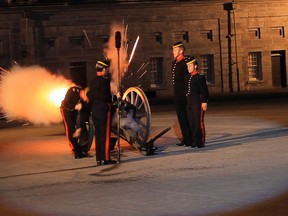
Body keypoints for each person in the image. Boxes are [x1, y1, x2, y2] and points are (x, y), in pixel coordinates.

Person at [87, 59, 116, 166]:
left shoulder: (93, 81)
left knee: (98, 135)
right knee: (105, 135)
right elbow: (105, 96)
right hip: (104, 110)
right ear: (103, 69)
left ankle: (99, 159)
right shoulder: (105, 80)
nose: (107, 71)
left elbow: (90, 96)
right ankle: (106, 158)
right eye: (106, 69)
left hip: (95, 110)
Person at [60, 86, 91, 159]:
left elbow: (83, 115)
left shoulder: (85, 101)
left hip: (76, 113)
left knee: (83, 130)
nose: (86, 99)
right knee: (70, 129)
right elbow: (65, 103)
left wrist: (79, 127)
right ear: (83, 92)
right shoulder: (73, 91)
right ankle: (76, 150)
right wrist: (74, 106)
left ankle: (83, 149)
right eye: (85, 97)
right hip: (66, 110)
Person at [185, 56, 209, 148]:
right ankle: (194, 140)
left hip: (197, 102)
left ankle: (200, 141)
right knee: (191, 122)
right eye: (187, 66)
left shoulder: (200, 77)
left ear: (195, 66)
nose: (188, 68)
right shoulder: (188, 77)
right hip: (189, 102)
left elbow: (204, 91)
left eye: (190, 66)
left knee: (199, 122)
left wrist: (204, 102)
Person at [171, 41, 191, 146]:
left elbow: (188, 79)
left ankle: (190, 138)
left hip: (184, 94)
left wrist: (188, 93)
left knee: (187, 116)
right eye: (173, 49)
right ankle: (185, 138)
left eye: (175, 49)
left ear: (181, 50)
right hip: (177, 94)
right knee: (181, 117)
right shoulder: (174, 63)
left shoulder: (185, 62)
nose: (173, 51)